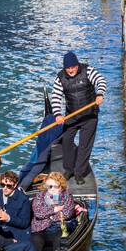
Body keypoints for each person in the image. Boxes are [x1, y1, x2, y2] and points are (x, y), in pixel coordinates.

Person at [50, 50, 107, 182]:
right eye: (68, 68)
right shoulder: (60, 78)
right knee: (67, 141)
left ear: (77, 65)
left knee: (84, 145)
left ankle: (79, 173)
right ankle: (69, 169)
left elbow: (101, 80)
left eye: (73, 67)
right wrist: (58, 115)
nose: (70, 70)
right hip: (72, 116)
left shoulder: (87, 71)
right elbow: (56, 97)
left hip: (89, 115)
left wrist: (99, 94)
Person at [29, 172, 83, 251]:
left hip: (58, 229)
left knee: (59, 246)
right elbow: (38, 213)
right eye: (50, 186)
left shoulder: (67, 196)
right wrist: (54, 210)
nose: (52, 189)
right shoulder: (40, 196)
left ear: (61, 186)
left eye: (56, 186)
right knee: (34, 250)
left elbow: (67, 214)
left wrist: (49, 216)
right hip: (39, 229)